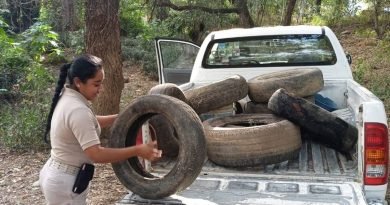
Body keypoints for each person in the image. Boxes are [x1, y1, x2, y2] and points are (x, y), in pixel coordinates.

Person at [39, 54, 162, 204]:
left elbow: (88, 123)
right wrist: (138, 150)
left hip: (60, 175)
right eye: (96, 84)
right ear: (78, 82)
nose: (101, 89)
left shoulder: (68, 96)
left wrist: (122, 117)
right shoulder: (77, 109)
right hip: (65, 184)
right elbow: (96, 154)